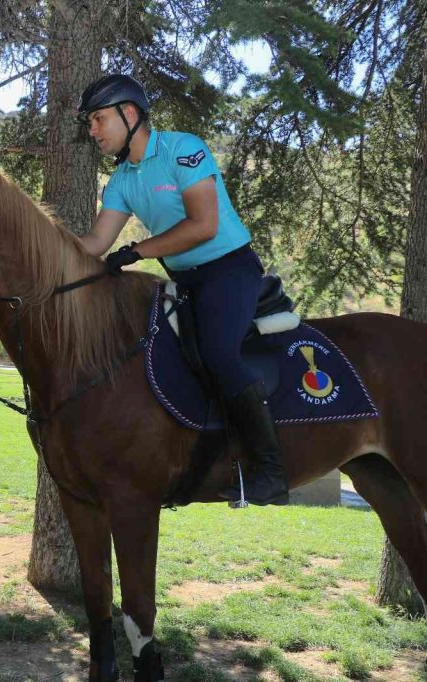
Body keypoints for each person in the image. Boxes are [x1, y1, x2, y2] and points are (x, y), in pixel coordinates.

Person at [75, 74, 288, 506]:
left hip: (229, 271)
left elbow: (203, 225)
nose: (93, 131)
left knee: (219, 354)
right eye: (90, 123)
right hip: (186, 280)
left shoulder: (184, 149)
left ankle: (271, 473)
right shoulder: (121, 181)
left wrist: (135, 252)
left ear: (129, 114)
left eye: (98, 119)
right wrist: (42, 248)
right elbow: (95, 245)